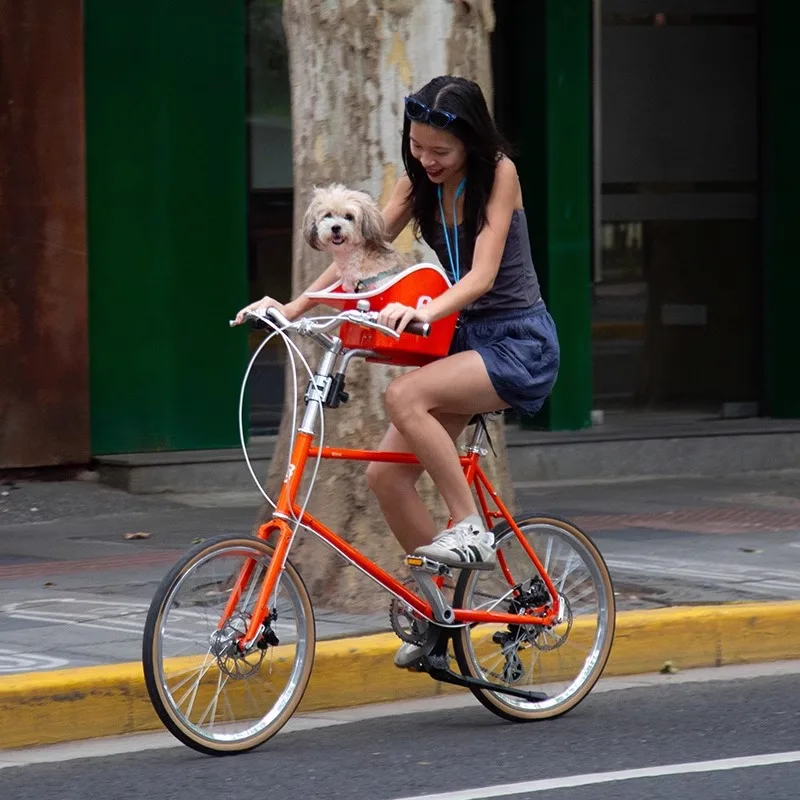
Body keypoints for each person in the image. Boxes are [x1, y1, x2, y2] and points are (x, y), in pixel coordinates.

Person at [236, 75, 560, 667]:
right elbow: (357, 255)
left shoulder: (499, 174)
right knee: (386, 480)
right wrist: (292, 308)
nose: (427, 161)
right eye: (417, 147)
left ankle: (469, 524)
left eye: (441, 152)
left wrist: (426, 308)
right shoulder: (417, 183)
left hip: (517, 341)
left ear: (472, 144)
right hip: (464, 342)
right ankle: (437, 615)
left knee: (405, 396)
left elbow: (484, 276)